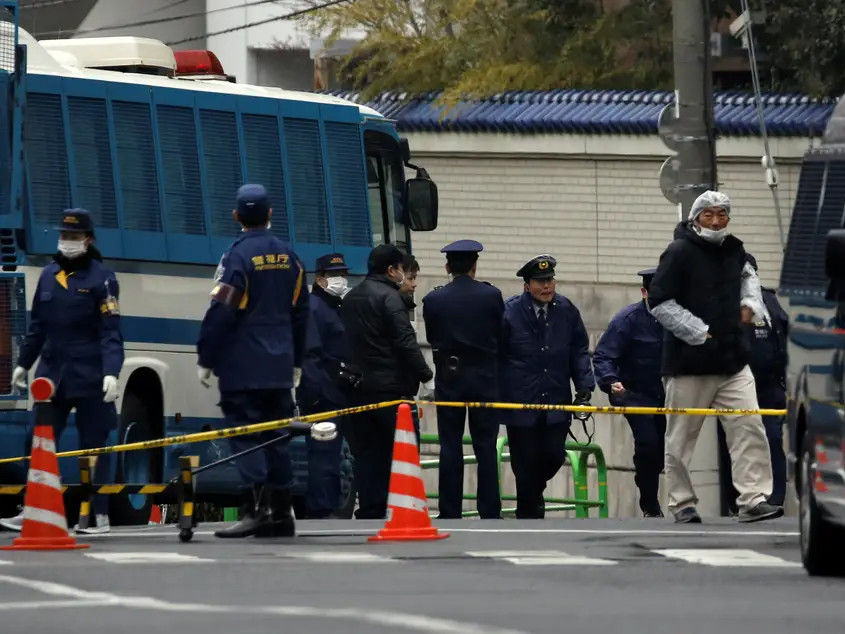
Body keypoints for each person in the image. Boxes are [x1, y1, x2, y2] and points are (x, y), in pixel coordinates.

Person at [647, 189, 783, 524]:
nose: (716, 220)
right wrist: (700, 332)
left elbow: (751, 284)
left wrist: (749, 308)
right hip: (688, 364)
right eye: (708, 214)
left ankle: (752, 499)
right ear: (695, 219)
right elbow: (660, 302)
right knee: (680, 437)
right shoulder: (678, 253)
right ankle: (681, 503)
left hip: (733, 361)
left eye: (722, 214)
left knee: (749, 427)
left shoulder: (737, 252)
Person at [1, 208, 123, 535]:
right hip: (52, 373)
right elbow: (37, 328)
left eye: (73, 237)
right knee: (36, 441)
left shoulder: (102, 279)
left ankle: (99, 516)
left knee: (94, 446)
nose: (66, 242)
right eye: (63, 236)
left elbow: (110, 331)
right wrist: (23, 364)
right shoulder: (48, 275)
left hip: (91, 372)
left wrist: (112, 372)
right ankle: (32, 508)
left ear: (88, 240)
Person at [197, 183, 308, 538]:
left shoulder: (238, 257)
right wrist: (297, 359)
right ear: (270, 214)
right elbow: (302, 312)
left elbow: (223, 309)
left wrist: (206, 356)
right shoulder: (290, 257)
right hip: (279, 367)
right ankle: (281, 513)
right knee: (277, 436)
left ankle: (256, 508)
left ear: (236, 216)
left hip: (242, 367)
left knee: (245, 434)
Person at [341, 244, 433, 519]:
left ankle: (370, 509)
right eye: (403, 270)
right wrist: (426, 376)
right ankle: (403, 510)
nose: (404, 276)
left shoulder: (351, 298)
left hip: (358, 389)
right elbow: (405, 342)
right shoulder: (390, 299)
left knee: (367, 455)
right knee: (401, 452)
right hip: (392, 390)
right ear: (392, 270)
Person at [500, 254, 595, 519]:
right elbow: (498, 354)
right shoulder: (509, 312)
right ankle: (529, 512)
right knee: (524, 462)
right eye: (540, 281)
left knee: (554, 455)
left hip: (556, 399)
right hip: (521, 402)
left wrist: (584, 385)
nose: (547, 287)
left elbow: (578, 350)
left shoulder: (566, 310)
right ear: (526, 285)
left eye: (550, 280)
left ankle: (532, 496)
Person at [422, 240, 504, 520]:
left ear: (447, 267)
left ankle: (449, 510)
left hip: (450, 377)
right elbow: (500, 333)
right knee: (486, 446)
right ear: (474, 265)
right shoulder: (491, 296)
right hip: (484, 379)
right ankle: (490, 510)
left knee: (450, 444)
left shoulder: (434, 299)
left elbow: (433, 337)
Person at [717, 253, 789, 512]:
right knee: (734, 444)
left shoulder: (769, 301)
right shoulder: (724, 302)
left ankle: (774, 498)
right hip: (732, 384)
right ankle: (737, 503)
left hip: (769, 387)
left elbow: (785, 336)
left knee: (771, 439)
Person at [593, 267, 666, 517]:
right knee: (648, 445)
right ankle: (650, 503)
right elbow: (603, 356)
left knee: (667, 451)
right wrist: (611, 381)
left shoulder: (679, 318)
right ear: (644, 293)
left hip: (671, 395)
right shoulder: (628, 319)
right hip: (637, 395)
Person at [298, 252, 353, 519]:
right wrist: (315, 396)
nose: (341, 279)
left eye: (343, 274)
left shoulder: (334, 307)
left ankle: (327, 506)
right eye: (334, 275)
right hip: (323, 394)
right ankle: (321, 509)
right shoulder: (314, 308)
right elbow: (310, 355)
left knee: (332, 457)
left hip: (336, 393)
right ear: (320, 279)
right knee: (323, 456)